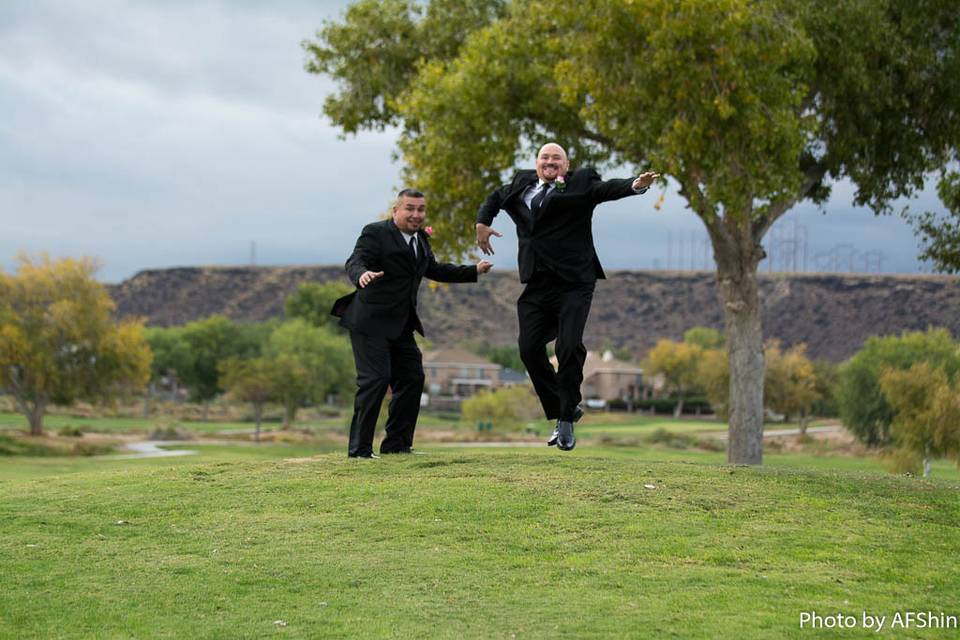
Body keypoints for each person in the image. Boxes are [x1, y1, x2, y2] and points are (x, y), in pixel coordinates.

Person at [476, 143, 658, 451]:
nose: (550, 162)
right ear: (536, 163)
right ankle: (564, 406)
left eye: (556, 158)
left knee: (568, 346)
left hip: (575, 281)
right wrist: (483, 222)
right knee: (529, 348)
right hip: (537, 282)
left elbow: (605, 190)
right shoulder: (521, 183)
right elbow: (495, 197)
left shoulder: (582, 182)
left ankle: (564, 420)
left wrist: (635, 186)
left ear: (566, 164)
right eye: (544, 157)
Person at [333, 189, 493, 458]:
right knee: (375, 380)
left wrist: (472, 271)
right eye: (410, 208)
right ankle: (359, 450)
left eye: (420, 209)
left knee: (412, 378)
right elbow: (355, 260)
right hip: (369, 322)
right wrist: (361, 275)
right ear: (396, 211)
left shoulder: (421, 239)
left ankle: (397, 445)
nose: (416, 214)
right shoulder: (375, 233)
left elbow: (434, 269)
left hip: (401, 325)